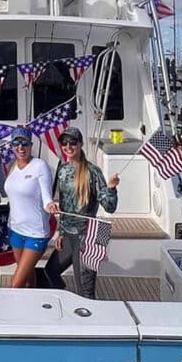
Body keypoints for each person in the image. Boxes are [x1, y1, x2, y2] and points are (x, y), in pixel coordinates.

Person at [45, 126, 120, 299]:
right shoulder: (62, 170)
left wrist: (111, 189)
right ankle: (68, 303)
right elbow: (63, 206)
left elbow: (109, 207)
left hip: (88, 236)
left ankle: (89, 320)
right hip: (68, 235)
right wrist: (61, 233)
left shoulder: (93, 172)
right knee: (50, 272)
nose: (68, 146)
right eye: (64, 142)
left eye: (72, 142)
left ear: (80, 144)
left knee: (85, 291)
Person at [3, 126, 59, 288]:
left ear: (30, 145)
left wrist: (49, 205)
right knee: (28, 274)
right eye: (16, 143)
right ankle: (34, 300)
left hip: (35, 234)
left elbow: (47, 195)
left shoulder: (40, 165)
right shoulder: (12, 166)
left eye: (24, 143)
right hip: (14, 230)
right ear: (12, 146)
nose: (20, 147)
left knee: (16, 284)